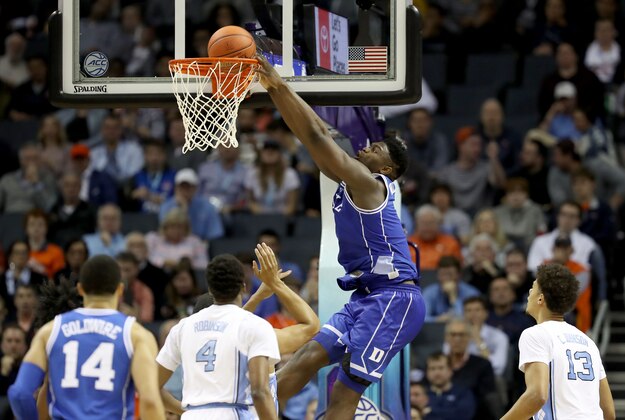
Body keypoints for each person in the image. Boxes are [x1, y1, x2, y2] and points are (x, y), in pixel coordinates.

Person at [257, 56, 425, 418]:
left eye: (376, 149)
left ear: (386, 169)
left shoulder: (369, 184)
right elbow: (318, 130)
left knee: (342, 394)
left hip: (394, 299)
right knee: (304, 359)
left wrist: (276, 85)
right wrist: (283, 90)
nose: (366, 146)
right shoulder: (353, 179)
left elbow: (316, 136)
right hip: (368, 296)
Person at [7, 255, 165, 419]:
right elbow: (150, 402)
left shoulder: (49, 331)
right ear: (119, 289)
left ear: (80, 289)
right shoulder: (136, 335)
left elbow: (20, 393)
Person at [156, 253, 281, 419]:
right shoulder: (255, 325)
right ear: (243, 287)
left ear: (210, 289)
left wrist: (186, 411)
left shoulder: (182, 327)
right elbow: (259, 391)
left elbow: (151, 386)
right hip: (232, 413)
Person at [500, 264, 615, 420]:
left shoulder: (535, 334)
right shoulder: (588, 342)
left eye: (533, 288)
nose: (529, 292)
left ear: (540, 298)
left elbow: (537, 395)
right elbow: (608, 410)